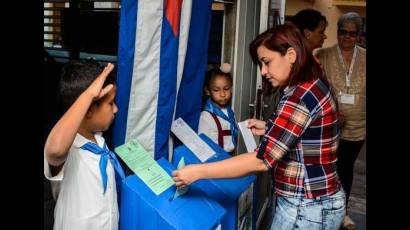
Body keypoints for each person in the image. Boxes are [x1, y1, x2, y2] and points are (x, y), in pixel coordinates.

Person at [173, 23, 345, 230]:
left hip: (306, 207)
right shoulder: (313, 81)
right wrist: (270, 128)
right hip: (319, 198)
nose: (263, 72)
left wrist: (196, 172)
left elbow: (261, 161)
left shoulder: (300, 97)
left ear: (291, 55)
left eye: (267, 62)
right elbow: (309, 130)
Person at [44, 60, 125, 230]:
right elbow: (55, 150)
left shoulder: (99, 142)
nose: (116, 109)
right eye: (110, 104)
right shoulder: (69, 150)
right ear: (87, 109)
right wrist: (88, 95)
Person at [315, 12, 366, 229]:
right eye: (342, 32)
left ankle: (342, 212)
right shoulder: (322, 54)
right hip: (328, 124)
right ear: (337, 32)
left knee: (346, 168)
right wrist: (331, 111)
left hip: (358, 126)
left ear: (359, 35)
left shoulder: (365, 57)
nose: (347, 37)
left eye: (352, 33)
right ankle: (323, 211)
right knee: (327, 168)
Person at [198, 63, 238, 154]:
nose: (222, 94)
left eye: (226, 88)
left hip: (230, 158)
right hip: (216, 161)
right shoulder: (206, 116)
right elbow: (203, 145)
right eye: (216, 90)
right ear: (208, 91)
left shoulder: (230, 112)